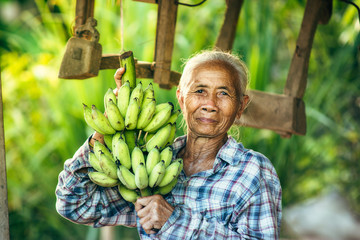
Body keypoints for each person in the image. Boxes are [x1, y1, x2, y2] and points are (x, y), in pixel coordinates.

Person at [55, 50, 282, 239]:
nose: (210, 104)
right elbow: (74, 204)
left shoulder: (253, 171)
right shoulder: (151, 163)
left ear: (241, 105)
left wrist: (174, 221)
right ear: (181, 98)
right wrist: (110, 121)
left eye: (223, 93)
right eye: (200, 91)